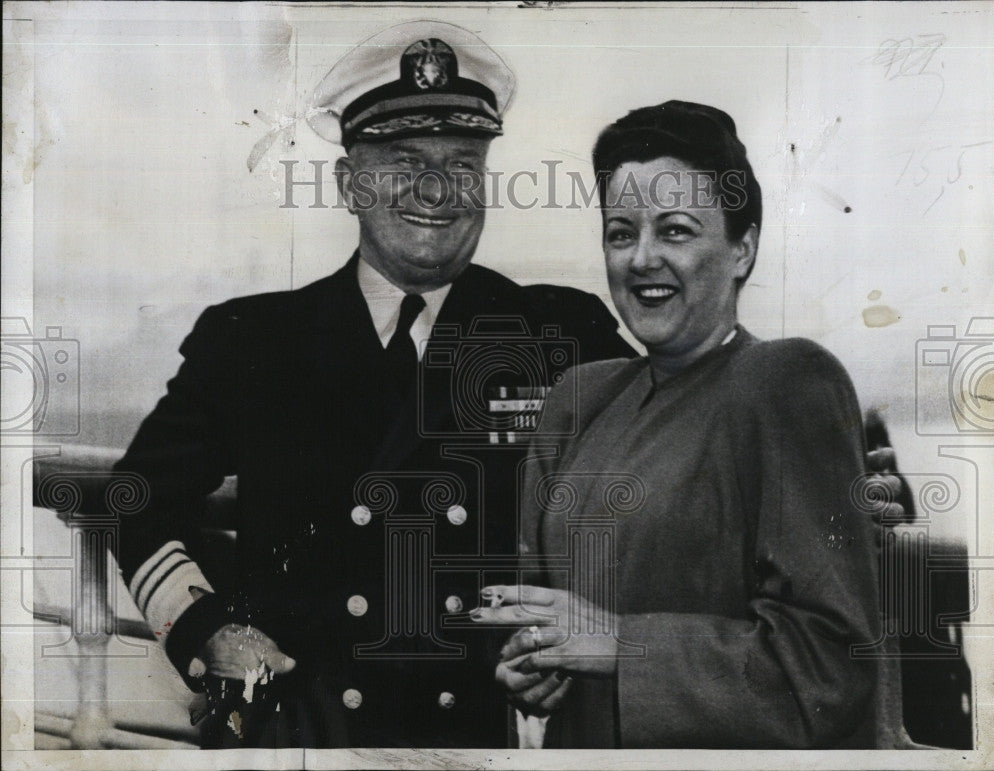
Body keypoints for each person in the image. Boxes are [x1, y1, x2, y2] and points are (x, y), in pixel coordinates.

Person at [111, 20, 634, 749]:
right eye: (403, 160)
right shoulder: (253, 340)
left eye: (462, 163)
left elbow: (666, 462)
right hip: (299, 726)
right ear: (349, 182)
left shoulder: (559, 332)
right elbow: (136, 494)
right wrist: (206, 631)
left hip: (480, 733)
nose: (435, 188)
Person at [472, 101, 883, 748]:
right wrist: (530, 663)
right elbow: (548, 617)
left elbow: (830, 667)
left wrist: (620, 645)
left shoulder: (786, 382)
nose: (641, 258)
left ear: (742, 249)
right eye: (620, 232)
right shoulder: (578, 401)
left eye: (676, 231)